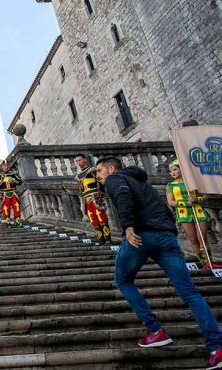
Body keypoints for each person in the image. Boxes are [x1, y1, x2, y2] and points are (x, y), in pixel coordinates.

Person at [95, 156, 222, 369]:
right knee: (190, 293)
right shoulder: (144, 183)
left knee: (123, 280)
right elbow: (165, 209)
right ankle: (217, 348)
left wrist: (127, 226)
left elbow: (123, 196)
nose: (98, 176)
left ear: (110, 169)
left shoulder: (115, 179)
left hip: (141, 234)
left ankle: (155, 330)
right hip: (166, 236)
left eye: (99, 171)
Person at [166, 158, 218, 269]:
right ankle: (204, 263)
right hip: (184, 213)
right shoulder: (170, 185)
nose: (173, 172)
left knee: (202, 238)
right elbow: (170, 201)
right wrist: (185, 203)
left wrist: (196, 199)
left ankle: (209, 262)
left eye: (175, 169)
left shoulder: (191, 182)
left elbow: (205, 195)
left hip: (198, 211)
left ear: (181, 170)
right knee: (193, 239)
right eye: (171, 171)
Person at [75, 153, 112, 245]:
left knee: (102, 218)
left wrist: (101, 195)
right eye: (76, 161)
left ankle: (108, 239)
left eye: (80, 160)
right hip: (86, 200)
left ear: (85, 160)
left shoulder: (92, 171)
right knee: (93, 220)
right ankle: (101, 239)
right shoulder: (78, 176)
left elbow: (101, 182)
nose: (78, 162)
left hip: (95, 197)